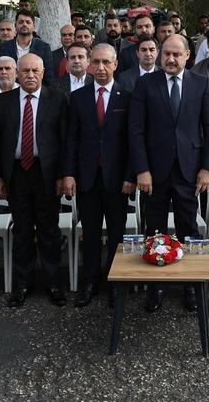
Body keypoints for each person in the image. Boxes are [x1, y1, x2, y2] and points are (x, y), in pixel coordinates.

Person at [128, 34, 209, 313]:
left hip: (190, 171)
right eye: (166, 53)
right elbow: (136, 130)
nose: (170, 59)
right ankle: (155, 286)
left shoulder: (201, 84)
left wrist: (207, 168)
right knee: (154, 230)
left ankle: (190, 286)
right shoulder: (145, 84)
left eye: (176, 54)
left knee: (188, 229)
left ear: (188, 56)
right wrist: (141, 170)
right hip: (154, 173)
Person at [0, 53, 68, 308]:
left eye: (35, 71)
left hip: (46, 173)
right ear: (16, 73)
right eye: (25, 71)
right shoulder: (2, 102)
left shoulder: (56, 99)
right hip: (16, 173)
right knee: (22, 231)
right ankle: (22, 284)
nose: (30, 75)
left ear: (44, 72)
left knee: (49, 230)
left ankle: (53, 283)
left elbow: (65, 141)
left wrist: (62, 175)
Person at [62, 44, 134, 308]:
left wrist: (130, 175)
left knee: (117, 233)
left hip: (118, 179)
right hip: (87, 177)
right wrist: (69, 173)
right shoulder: (78, 97)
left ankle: (115, 282)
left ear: (116, 64)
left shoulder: (126, 96)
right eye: (97, 62)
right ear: (89, 64)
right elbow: (72, 139)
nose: (101, 68)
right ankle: (90, 281)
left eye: (106, 62)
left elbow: (131, 141)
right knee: (90, 232)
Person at [0, 10, 54, 78]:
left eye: (28, 22)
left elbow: (49, 75)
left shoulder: (44, 47)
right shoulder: (5, 47)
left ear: (33, 26)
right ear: (15, 25)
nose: (24, 24)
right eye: (21, 22)